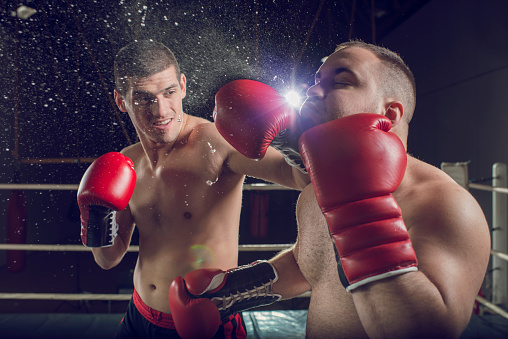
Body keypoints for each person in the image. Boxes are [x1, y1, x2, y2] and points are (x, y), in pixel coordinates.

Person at [169, 40, 492, 338]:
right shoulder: (316, 190)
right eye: (316, 80)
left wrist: (361, 211)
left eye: (340, 81)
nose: (313, 91)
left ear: (388, 114)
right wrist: (231, 292)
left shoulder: (445, 204)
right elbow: (308, 264)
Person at [76, 39, 309, 338]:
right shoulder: (127, 162)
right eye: (144, 98)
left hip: (203, 323)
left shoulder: (216, 141)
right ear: (121, 101)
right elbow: (108, 259)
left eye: (169, 92)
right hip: (138, 316)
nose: (160, 110)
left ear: (183, 86)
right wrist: (97, 219)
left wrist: (289, 138)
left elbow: (298, 177)